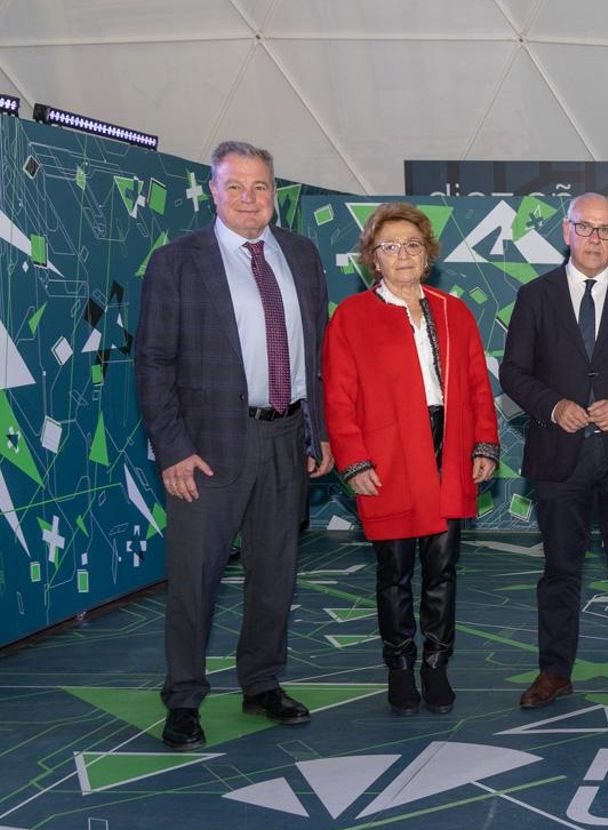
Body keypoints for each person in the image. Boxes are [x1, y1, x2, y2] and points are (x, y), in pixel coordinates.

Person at [134, 140, 334, 751]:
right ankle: (185, 699)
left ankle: (262, 684)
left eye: (262, 187)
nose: (250, 199)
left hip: (287, 436)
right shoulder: (177, 262)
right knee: (195, 578)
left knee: (275, 574)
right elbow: (153, 362)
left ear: (277, 193)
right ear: (213, 191)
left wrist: (318, 430)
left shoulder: (301, 254)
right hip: (208, 448)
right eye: (236, 187)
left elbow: (314, 355)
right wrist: (172, 448)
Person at [322, 203, 500, 716]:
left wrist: (483, 445)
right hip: (388, 454)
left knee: (443, 570)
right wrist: (354, 462)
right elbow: (338, 397)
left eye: (413, 245)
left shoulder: (453, 310)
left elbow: (475, 386)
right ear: (372, 259)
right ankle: (400, 668)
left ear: (429, 255)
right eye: (390, 247)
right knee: (394, 572)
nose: (403, 255)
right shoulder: (351, 318)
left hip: (448, 445)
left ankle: (436, 666)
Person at [500, 193, 608, 710]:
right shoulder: (535, 296)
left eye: (605, 231)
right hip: (559, 454)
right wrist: (554, 407)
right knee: (560, 569)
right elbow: (514, 373)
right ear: (567, 232)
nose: (595, 239)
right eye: (586, 228)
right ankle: (554, 672)